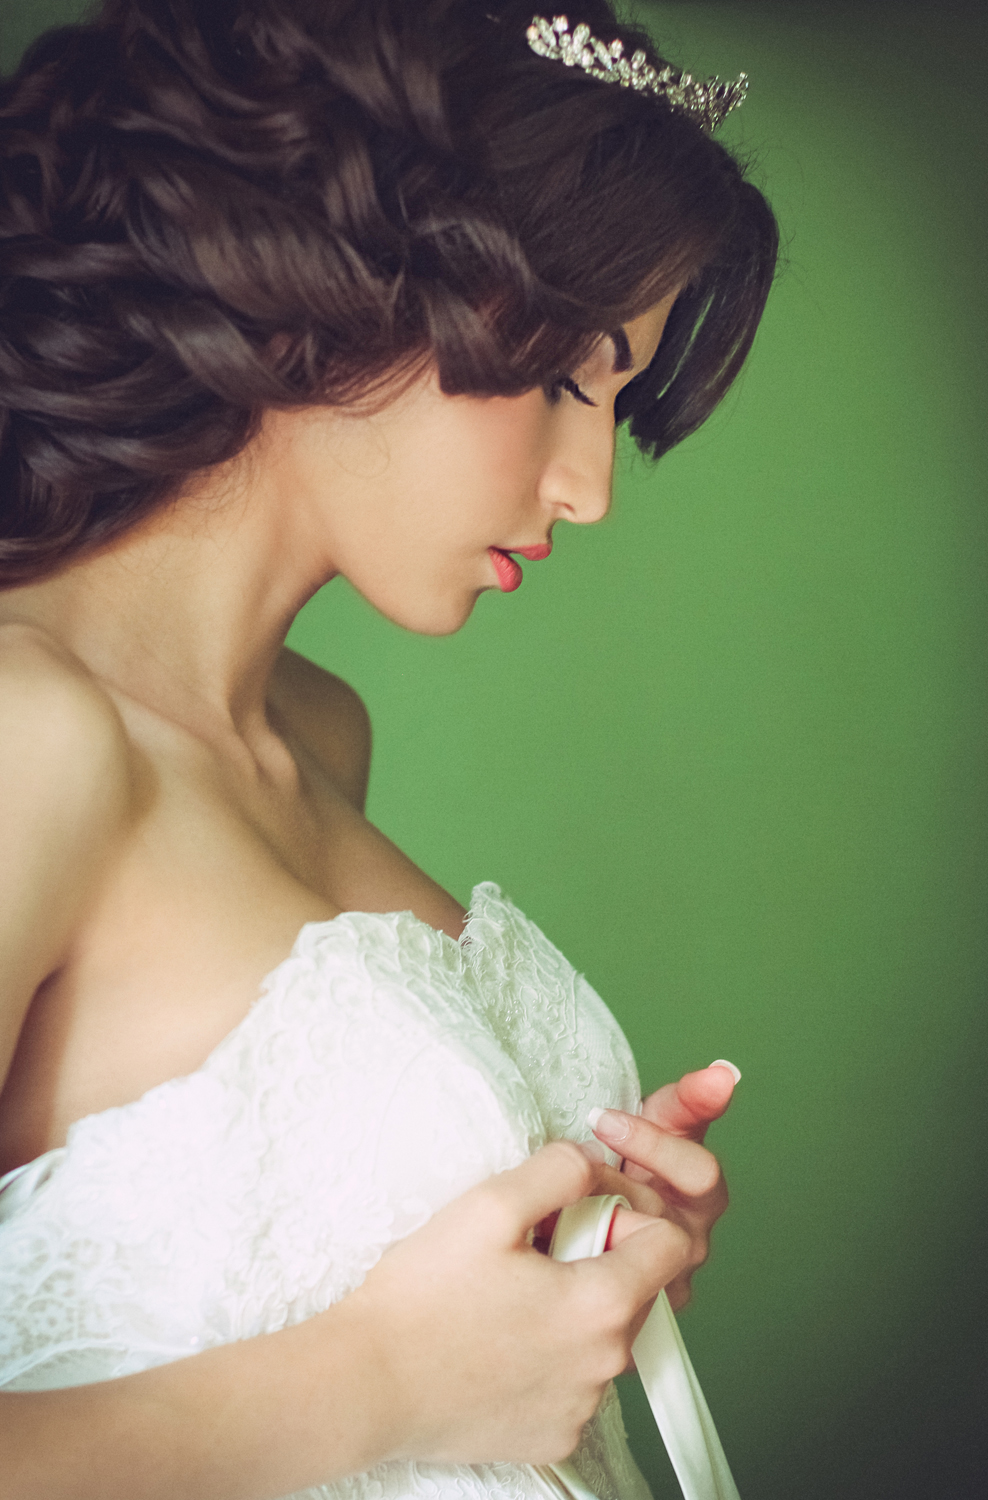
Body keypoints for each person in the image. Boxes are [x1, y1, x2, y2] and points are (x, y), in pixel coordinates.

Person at [0, 1, 778, 1496]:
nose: (591, 488)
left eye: (619, 403)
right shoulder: (27, 738)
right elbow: (381, 1371)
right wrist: (390, 1383)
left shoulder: (317, 731)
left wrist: (576, 1266)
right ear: (344, 288)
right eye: (567, 380)